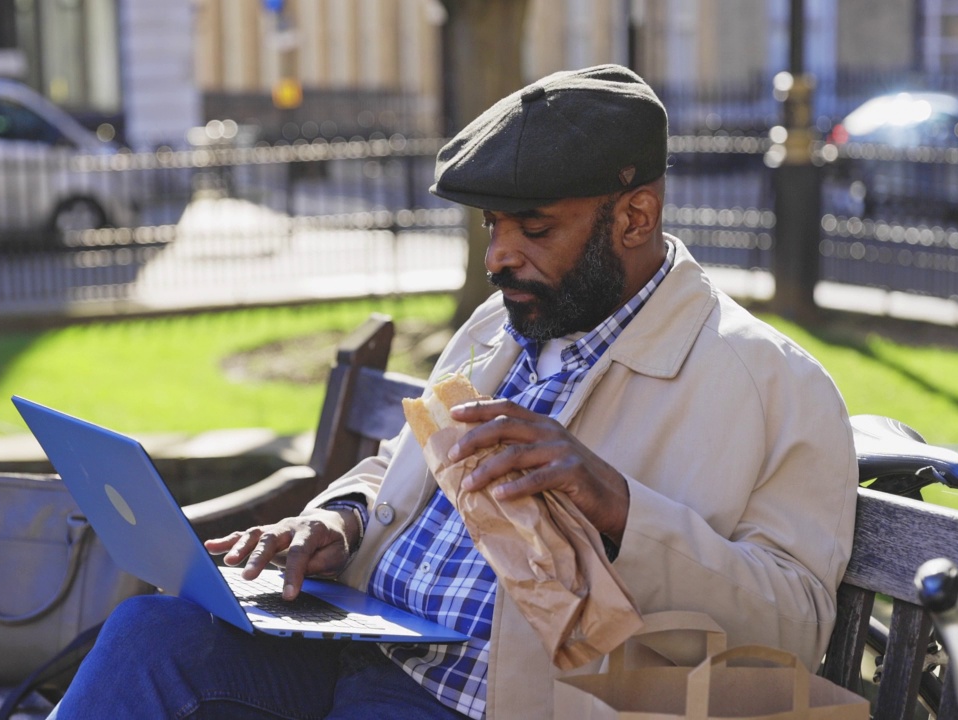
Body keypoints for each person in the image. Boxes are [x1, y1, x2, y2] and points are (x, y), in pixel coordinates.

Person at [47, 64, 857, 719]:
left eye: (533, 229)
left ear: (635, 217)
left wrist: (617, 507)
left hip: (491, 699)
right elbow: (400, 469)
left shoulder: (771, 382)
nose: (500, 257)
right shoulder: (500, 327)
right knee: (152, 634)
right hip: (361, 648)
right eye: (491, 227)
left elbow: (794, 627)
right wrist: (341, 518)